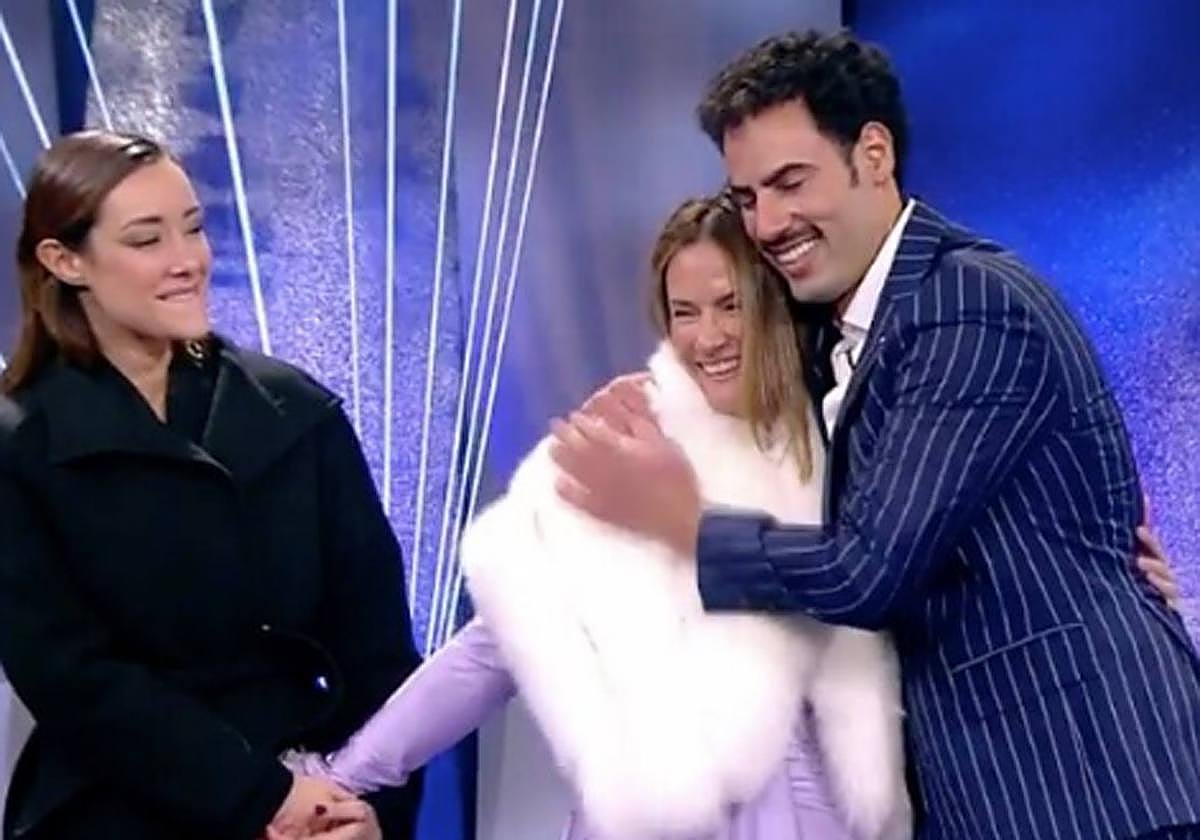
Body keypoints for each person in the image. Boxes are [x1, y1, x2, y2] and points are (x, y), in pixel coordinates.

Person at [549, 30, 1200, 840]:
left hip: (1086, 786)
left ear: (874, 154)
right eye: (747, 197)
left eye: (790, 183)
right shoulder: (845, 330)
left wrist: (679, 520)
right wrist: (660, 397)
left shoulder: (965, 307)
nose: (768, 222)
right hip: (990, 792)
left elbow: (866, 571)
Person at [288, 195, 912, 840]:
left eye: (731, 305)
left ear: (774, 302)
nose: (709, 337)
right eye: (685, 312)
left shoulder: (845, 434)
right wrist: (347, 776)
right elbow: (497, 641)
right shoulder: (624, 441)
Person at [0, 130, 420, 839]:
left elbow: (377, 651)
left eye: (193, 228)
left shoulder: (294, 412)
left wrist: (370, 809)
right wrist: (264, 798)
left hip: (316, 797)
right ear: (65, 261)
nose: (187, 260)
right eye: (146, 239)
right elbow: (71, 677)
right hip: (117, 808)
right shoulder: (22, 444)